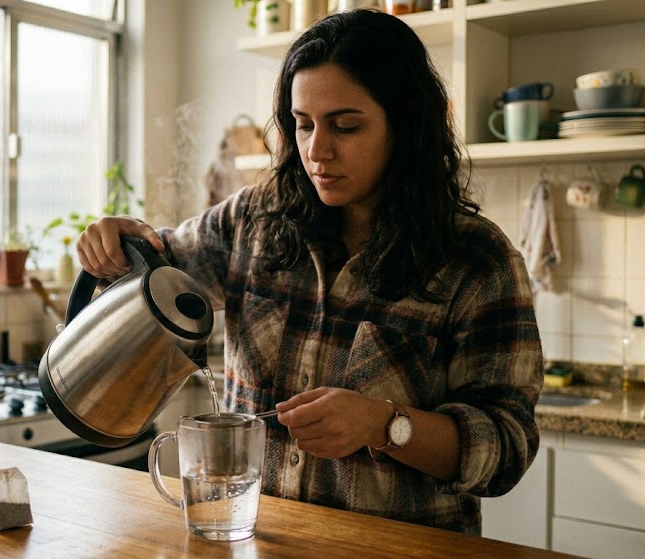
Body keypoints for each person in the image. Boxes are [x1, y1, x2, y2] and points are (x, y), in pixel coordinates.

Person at [75, 9, 543, 535]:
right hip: (262, 541)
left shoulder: (477, 261)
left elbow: (507, 450)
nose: (317, 151)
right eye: (303, 125)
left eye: (346, 126)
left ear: (406, 123)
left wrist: (384, 424)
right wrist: (119, 246)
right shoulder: (254, 219)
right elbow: (160, 273)